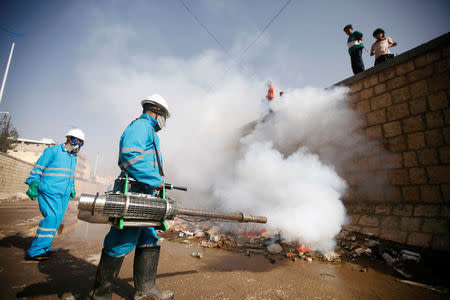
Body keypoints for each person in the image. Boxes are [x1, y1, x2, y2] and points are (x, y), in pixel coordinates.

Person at [92, 94, 173, 300]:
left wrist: (154, 184)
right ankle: (101, 294)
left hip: (145, 193)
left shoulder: (149, 131)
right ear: (157, 112)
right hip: (135, 192)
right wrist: (155, 180)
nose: (164, 121)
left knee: (149, 238)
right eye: (164, 116)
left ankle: (146, 290)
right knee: (122, 240)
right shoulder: (141, 126)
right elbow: (130, 155)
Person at [25, 129, 85, 261]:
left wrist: (72, 187)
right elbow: (38, 168)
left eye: (81, 142)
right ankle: (35, 251)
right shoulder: (53, 151)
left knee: (56, 220)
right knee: (51, 218)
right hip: (49, 190)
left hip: (63, 194)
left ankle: (44, 248)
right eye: (76, 141)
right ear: (68, 139)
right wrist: (33, 183)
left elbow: (70, 175)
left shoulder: (73, 157)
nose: (78, 145)